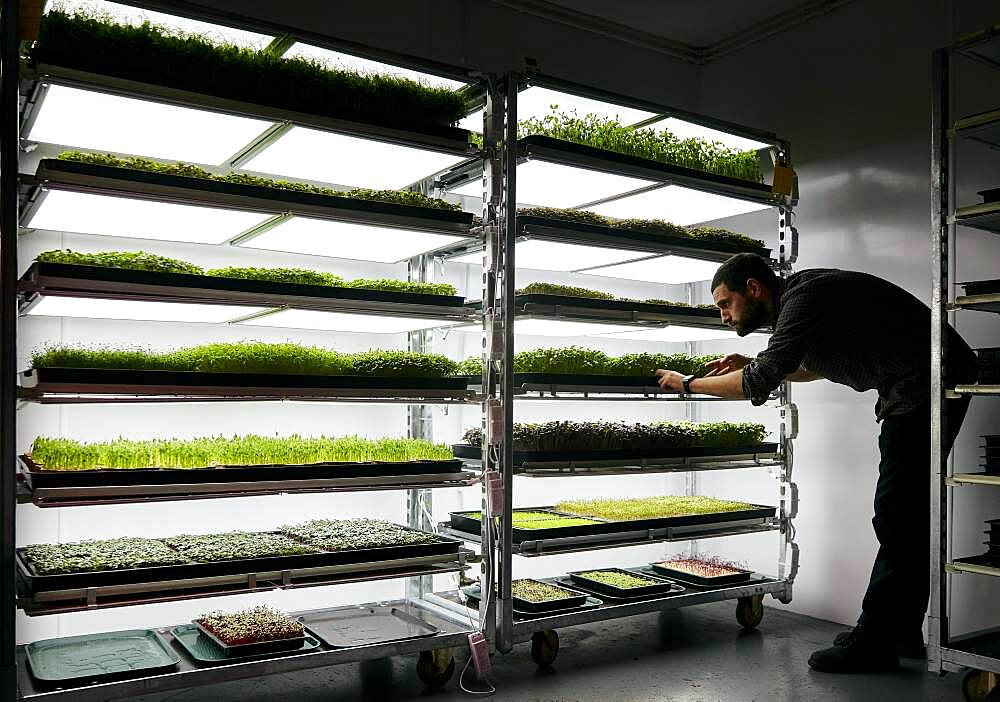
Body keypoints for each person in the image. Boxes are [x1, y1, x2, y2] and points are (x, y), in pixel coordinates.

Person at [654, 253, 977, 674]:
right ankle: (897, 632)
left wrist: (688, 384)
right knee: (907, 515)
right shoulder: (802, 301)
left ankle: (875, 641)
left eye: (725, 304)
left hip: (926, 384)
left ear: (753, 288)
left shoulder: (806, 296)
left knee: (898, 515)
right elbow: (808, 366)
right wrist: (757, 364)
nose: (723, 317)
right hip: (920, 382)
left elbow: (757, 384)